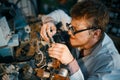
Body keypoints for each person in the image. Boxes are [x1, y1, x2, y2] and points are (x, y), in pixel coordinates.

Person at [40, 0, 120, 80]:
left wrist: (71, 63)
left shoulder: (111, 66)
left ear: (95, 34)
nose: (69, 32)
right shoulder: (83, 27)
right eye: (70, 26)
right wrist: (49, 22)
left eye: (74, 29)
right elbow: (60, 14)